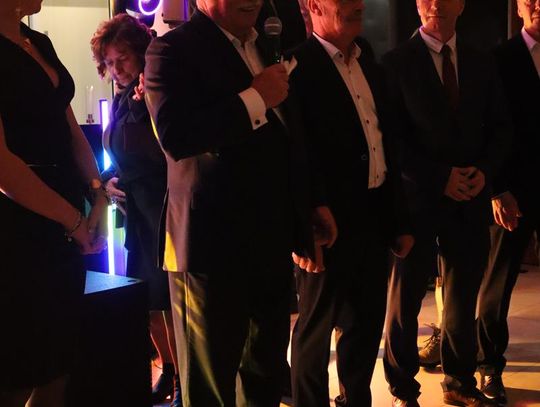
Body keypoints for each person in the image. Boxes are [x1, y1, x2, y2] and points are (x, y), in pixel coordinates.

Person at [144, 0, 317, 405]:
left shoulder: (268, 45)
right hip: (209, 247)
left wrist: (307, 209)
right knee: (210, 386)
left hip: (270, 239)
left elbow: (287, 139)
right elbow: (176, 137)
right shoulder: (171, 49)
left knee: (265, 376)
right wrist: (254, 98)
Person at [381, 0, 512, 406]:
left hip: (469, 198)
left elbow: (501, 127)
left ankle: (459, 381)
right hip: (415, 200)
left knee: (462, 294)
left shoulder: (481, 61)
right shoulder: (395, 63)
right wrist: (441, 178)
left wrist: (483, 172)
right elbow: (390, 140)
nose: (434, 5)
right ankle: (403, 388)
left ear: (462, 5)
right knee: (405, 299)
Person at [288, 0, 413, 405]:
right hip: (326, 223)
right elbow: (295, 155)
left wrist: (399, 219)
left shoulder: (368, 62)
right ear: (314, 6)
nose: (358, 4)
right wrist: (305, 223)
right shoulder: (296, 66)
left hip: (372, 217)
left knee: (365, 325)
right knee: (315, 330)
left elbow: (386, 144)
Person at [0, 0, 108, 406]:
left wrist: (96, 191)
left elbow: (69, 127)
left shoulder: (36, 40)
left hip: (62, 211)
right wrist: (73, 221)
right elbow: (3, 169)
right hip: (16, 223)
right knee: (15, 370)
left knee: (57, 362)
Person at [90, 14, 181, 406]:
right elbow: (121, 155)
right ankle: (170, 370)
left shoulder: (156, 89)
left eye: (122, 58)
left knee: (169, 301)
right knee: (148, 301)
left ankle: (184, 378)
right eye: (109, 63)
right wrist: (108, 182)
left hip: (163, 210)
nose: (116, 69)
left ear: (142, 52)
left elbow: (165, 152)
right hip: (138, 216)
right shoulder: (123, 99)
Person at [475, 0, 540, 404]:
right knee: (497, 284)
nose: (538, 4)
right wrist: (497, 189)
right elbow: (487, 128)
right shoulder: (498, 58)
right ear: (518, 8)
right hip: (513, 191)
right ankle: (488, 367)